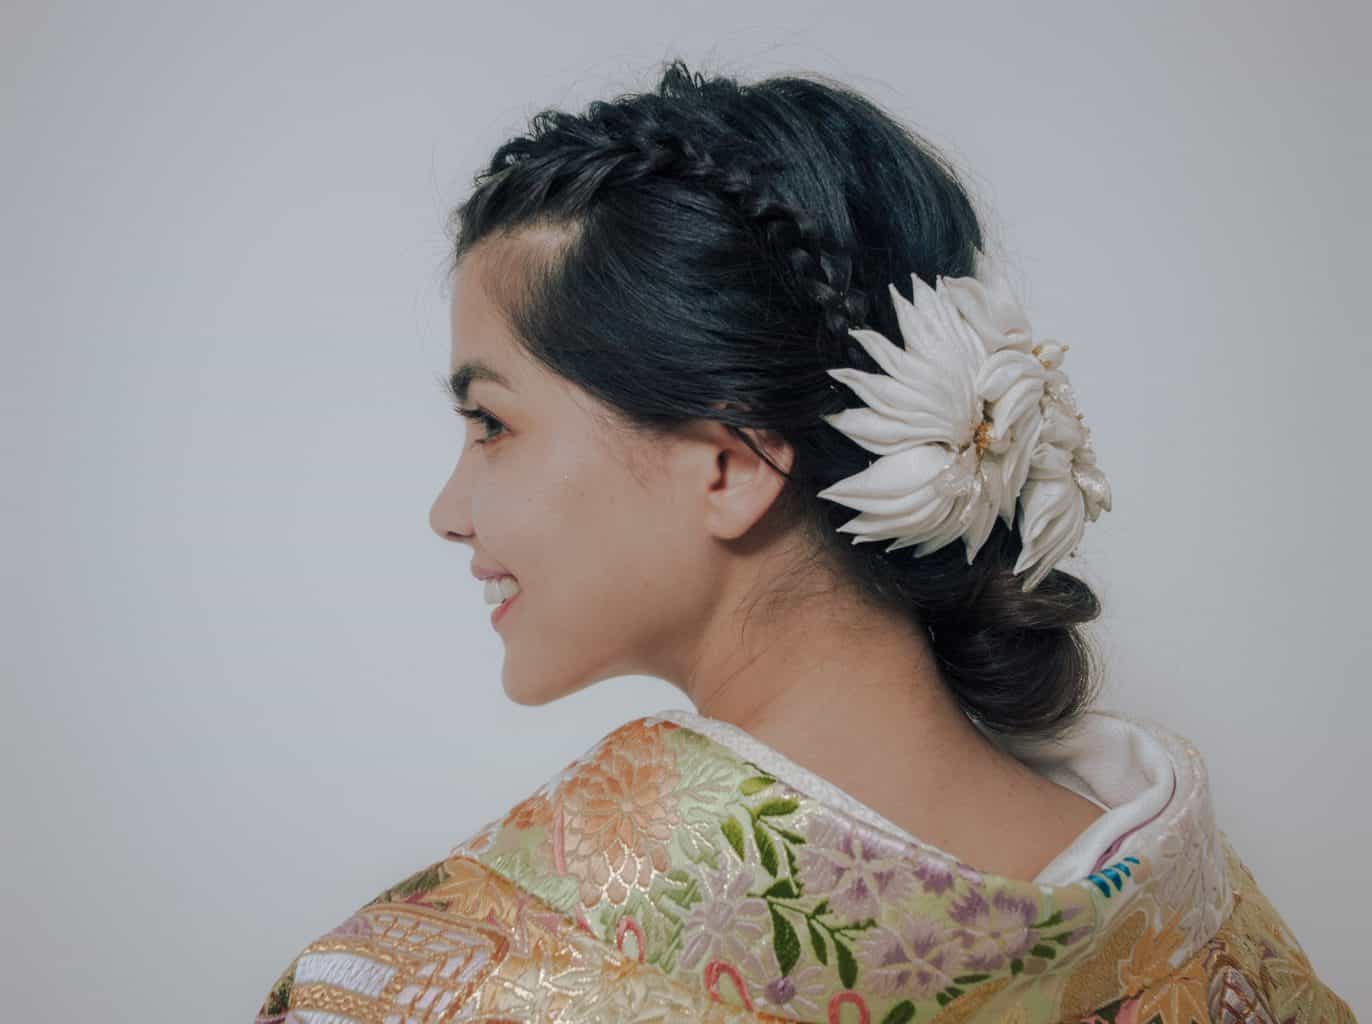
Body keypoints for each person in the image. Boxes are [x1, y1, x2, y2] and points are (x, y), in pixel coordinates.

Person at [253, 60, 1354, 1023]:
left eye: (493, 423)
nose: (449, 509)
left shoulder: (443, 985)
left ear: (730, 465)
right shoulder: (1209, 936)